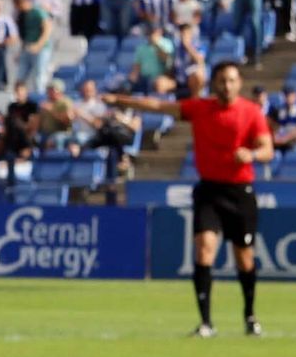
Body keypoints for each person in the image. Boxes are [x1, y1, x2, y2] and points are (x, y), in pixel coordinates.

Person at [106, 63, 271, 337]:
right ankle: (206, 323)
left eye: (231, 80)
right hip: (209, 190)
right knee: (204, 249)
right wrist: (121, 100)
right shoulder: (200, 108)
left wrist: (251, 155)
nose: (226, 86)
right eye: (221, 80)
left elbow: (267, 149)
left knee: (244, 257)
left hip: (240, 191)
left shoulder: (251, 112)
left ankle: (249, 316)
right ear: (214, 83)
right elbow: (158, 106)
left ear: (239, 83)